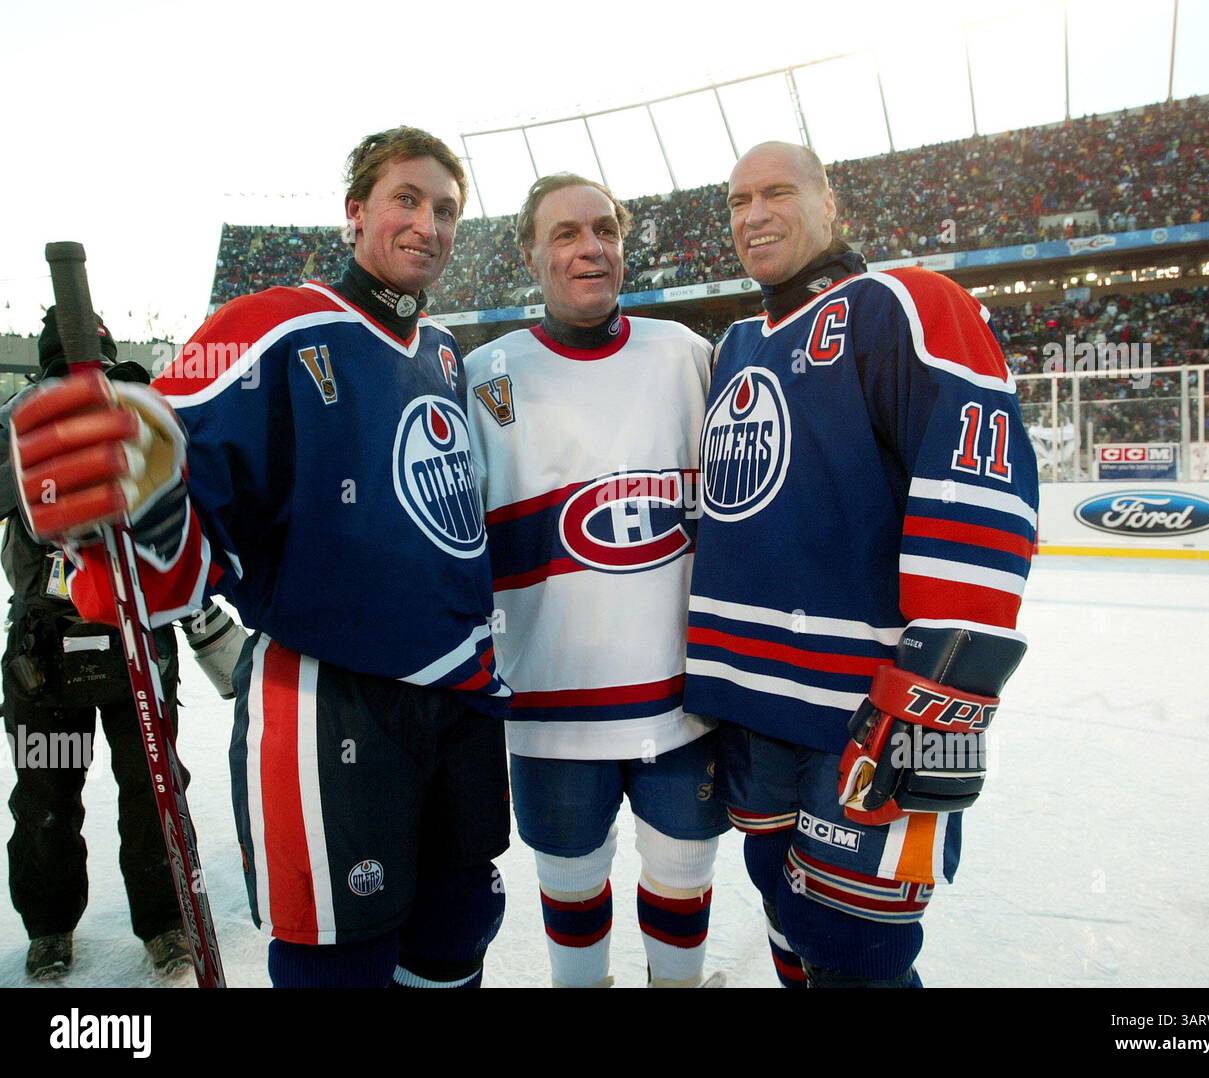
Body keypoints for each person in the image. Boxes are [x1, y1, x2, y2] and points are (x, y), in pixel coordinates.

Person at [8, 127, 511, 988]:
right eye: (407, 199)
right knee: (338, 963)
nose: (429, 223)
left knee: (457, 930)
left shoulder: (442, 352)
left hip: (460, 697)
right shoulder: (272, 324)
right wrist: (127, 492)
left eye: (445, 209)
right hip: (332, 702)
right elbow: (162, 505)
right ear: (355, 213)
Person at [684, 142, 1037, 987]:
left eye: (777, 192)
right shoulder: (732, 346)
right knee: (782, 900)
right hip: (749, 702)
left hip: (865, 712)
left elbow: (981, 497)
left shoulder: (904, 304)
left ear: (830, 203)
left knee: (861, 949)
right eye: (737, 201)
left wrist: (941, 700)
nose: (754, 214)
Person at [464, 174, 728, 987]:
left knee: (684, 877)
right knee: (570, 883)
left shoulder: (686, 353)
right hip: (550, 705)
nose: (591, 248)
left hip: (683, 703)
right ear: (530, 254)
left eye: (605, 230)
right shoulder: (484, 376)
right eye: (568, 233)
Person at [0, 310, 191, 979]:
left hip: (133, 639)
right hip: (44, 654)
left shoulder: (142, 404)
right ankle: (50, 927)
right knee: (48, 796)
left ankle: (167, 920)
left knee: (152, 790)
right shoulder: (15, 420)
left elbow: (184, 507)